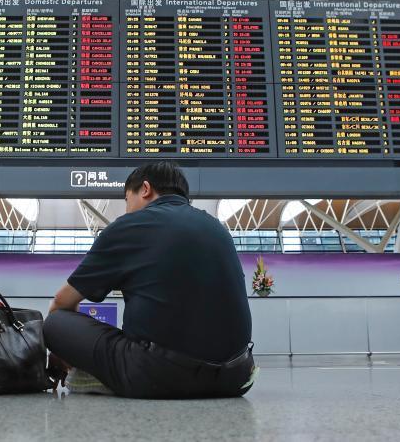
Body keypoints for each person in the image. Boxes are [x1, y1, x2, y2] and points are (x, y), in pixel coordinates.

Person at [43, 161, 256, 399]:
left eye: (126, 200)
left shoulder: (128, 226)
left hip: (159, 375)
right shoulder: (218, 228)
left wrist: (64, 351)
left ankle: (91, 378)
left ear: (145, 189)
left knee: (55, 323)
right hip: (236, 376)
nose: (127, 209)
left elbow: (61, 303)